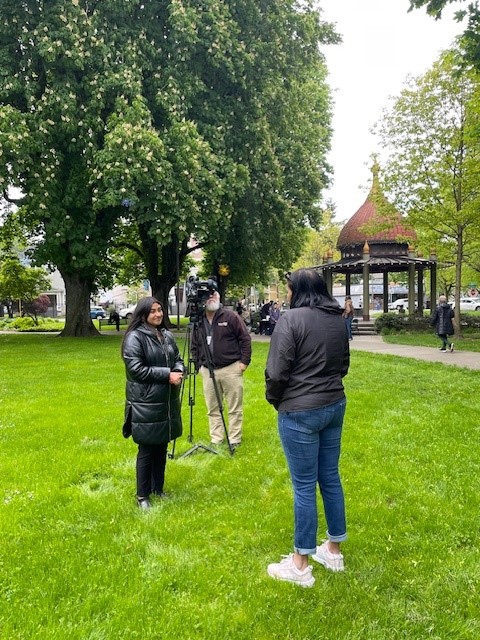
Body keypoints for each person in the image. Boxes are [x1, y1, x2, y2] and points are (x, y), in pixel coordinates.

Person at [265, 269, 350, 587]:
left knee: (304, 486)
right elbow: (344, 364)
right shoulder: (338, 318)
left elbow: (276, 371)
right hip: (334, 404)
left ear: (297, 290)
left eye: (288, 289)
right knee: (329, 477)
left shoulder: (291, 319)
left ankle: (300, 564)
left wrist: (277, 400)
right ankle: (333, 549)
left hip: (300, 410)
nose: (286, 295)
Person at [121, 297, 184, 510]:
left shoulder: (166, 335)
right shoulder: (134, 338)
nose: (158, 314)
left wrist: (178, 371)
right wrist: (167, 375)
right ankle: (142, 496)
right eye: (153, 312)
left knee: (162, 445)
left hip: (165, 401)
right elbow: (136, 369)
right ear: (143, 315)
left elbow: (178, 359)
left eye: (160, 310)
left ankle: (158, 489)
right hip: (145, 402)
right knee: (147, 448)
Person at [191, 283, 251, 449]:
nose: (211, 298)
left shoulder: (230, 317)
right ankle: (216, 439)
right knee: (212, 407)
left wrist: (244, 363)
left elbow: (245, 339)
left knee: (234, 407)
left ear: (218, 297)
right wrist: (197, 365)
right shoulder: (198, 320)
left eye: (214, 294)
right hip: (207, 370)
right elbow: (194, 344)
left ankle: (234, 439)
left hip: (231, 368)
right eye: (207, 295)